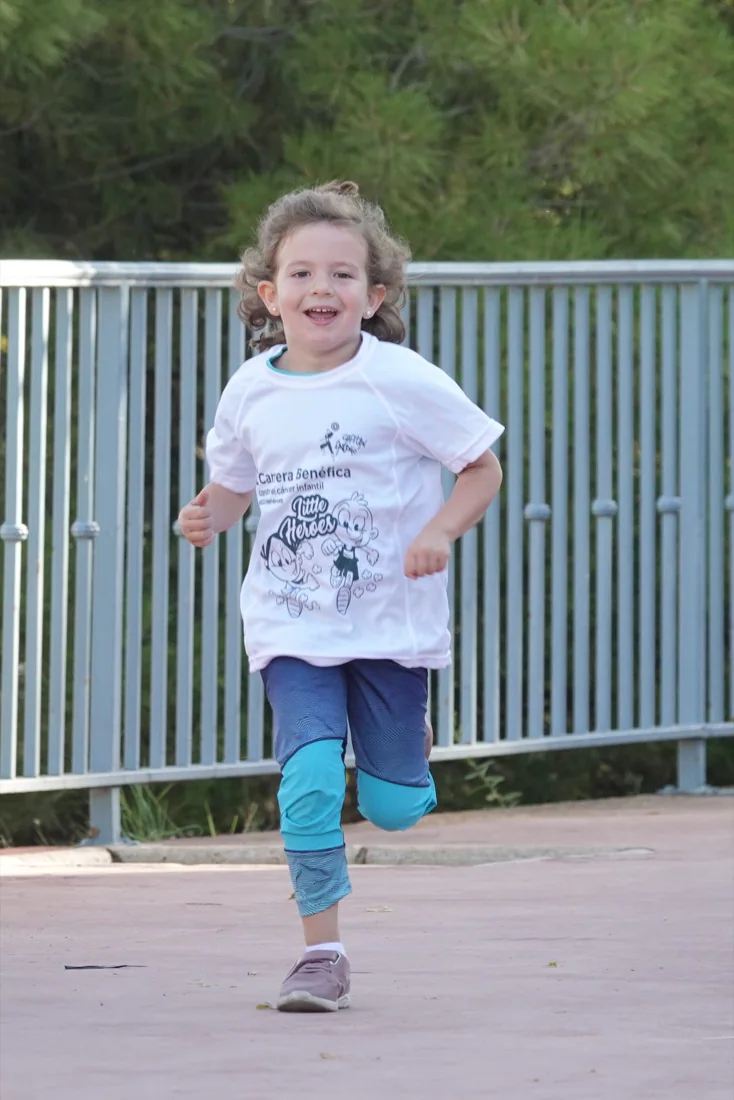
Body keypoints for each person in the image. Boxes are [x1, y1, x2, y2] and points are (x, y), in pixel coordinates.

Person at [178, 180, 504, 1013]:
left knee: (392, 810)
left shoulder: (400, 378)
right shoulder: (250, 389)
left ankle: (406, 754)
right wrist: (208, 515)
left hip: (390, 625)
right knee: (311, 778)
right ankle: (321, 953)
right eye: (301, 274)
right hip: (290, 623)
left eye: (344, 276)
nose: (321, 289)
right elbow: (236, 485)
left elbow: (481, 466)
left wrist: (439, 530)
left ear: (376, 295)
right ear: (268, 294)